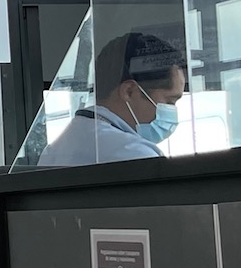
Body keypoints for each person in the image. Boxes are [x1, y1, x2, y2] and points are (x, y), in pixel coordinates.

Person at [38, 32, 186, 168]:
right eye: (169, 101)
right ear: (129, 91)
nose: (173, 114)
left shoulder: (54, 151)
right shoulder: (134, 155)